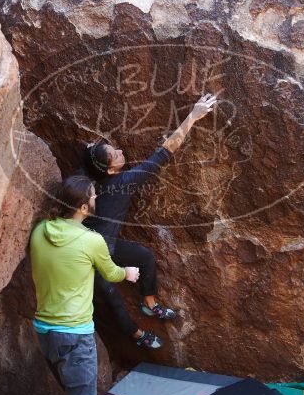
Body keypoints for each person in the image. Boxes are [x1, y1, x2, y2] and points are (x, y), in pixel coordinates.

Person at [29, 175, 140, 395]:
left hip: (46, 333)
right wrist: (129, 273)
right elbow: (112, 273)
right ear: (82, 206)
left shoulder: (40, 232)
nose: (96, 199)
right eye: (93, 195)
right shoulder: (91, 241)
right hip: (75, 337)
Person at [83, 93, 218, 349]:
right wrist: (192, 116)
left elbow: (87, 161)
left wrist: (90, 150)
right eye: (115, 154)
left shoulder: (95, 177)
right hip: (91, 254)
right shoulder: (122, 182)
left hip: (107, 242)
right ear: (111, 170)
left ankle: (149, 303)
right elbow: (164, 152)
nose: (121, 151)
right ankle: (137, 336)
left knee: (143, 256)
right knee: (112, 298)